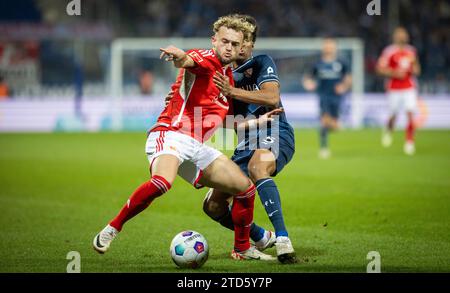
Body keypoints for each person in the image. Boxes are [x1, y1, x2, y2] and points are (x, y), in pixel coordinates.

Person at [93, 15, 275, 261]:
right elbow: (188, 60)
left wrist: (257, 122)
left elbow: (218, 120)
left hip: (196, 146)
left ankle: (243, 248)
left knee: (245, 189)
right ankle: (113, 227)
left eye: (235, 43)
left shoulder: (227, 79)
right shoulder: (206, 59)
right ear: (214, 41)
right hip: (170, 135)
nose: (229, 47)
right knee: (162, 183)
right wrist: (179, 56)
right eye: (225, 41)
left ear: (241, 46)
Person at [205, 14, 297, 263]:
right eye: (237, 41)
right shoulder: (220, 74)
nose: (241, 46)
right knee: (213, 206)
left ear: (249, 44)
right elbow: (222, 121)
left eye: (246, 41)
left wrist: (231, 91)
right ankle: (260, 237)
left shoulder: (260, 63)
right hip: (245, 142)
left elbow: (270, 97)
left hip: (276, 131)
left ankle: (282, 240)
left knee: (258, 166)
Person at [302, 38, 352, 159]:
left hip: (337, 98)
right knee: (324, 120)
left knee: (335, 126)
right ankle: (324, 148)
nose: (329, 47)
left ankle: (333, 125)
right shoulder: (318, 64)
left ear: (335, 48)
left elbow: (348, 78)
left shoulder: (341, 63)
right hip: (323, 96)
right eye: (327, 45)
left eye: (331, 45)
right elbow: (307, 78)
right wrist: (309, 84)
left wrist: (343, 87)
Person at [376, 27, 421, 155]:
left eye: (404, 34)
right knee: (393, 114)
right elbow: (380, 68)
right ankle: (389, 130)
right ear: (395, 36)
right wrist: (394, 73)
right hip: (394, 88)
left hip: (409, 87)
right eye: (399, 34)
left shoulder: (411, 51)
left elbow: (417, 68)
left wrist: (415, 69)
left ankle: (409, 141)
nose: (402, 37)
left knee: (410, 112)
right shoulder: (389, 51)